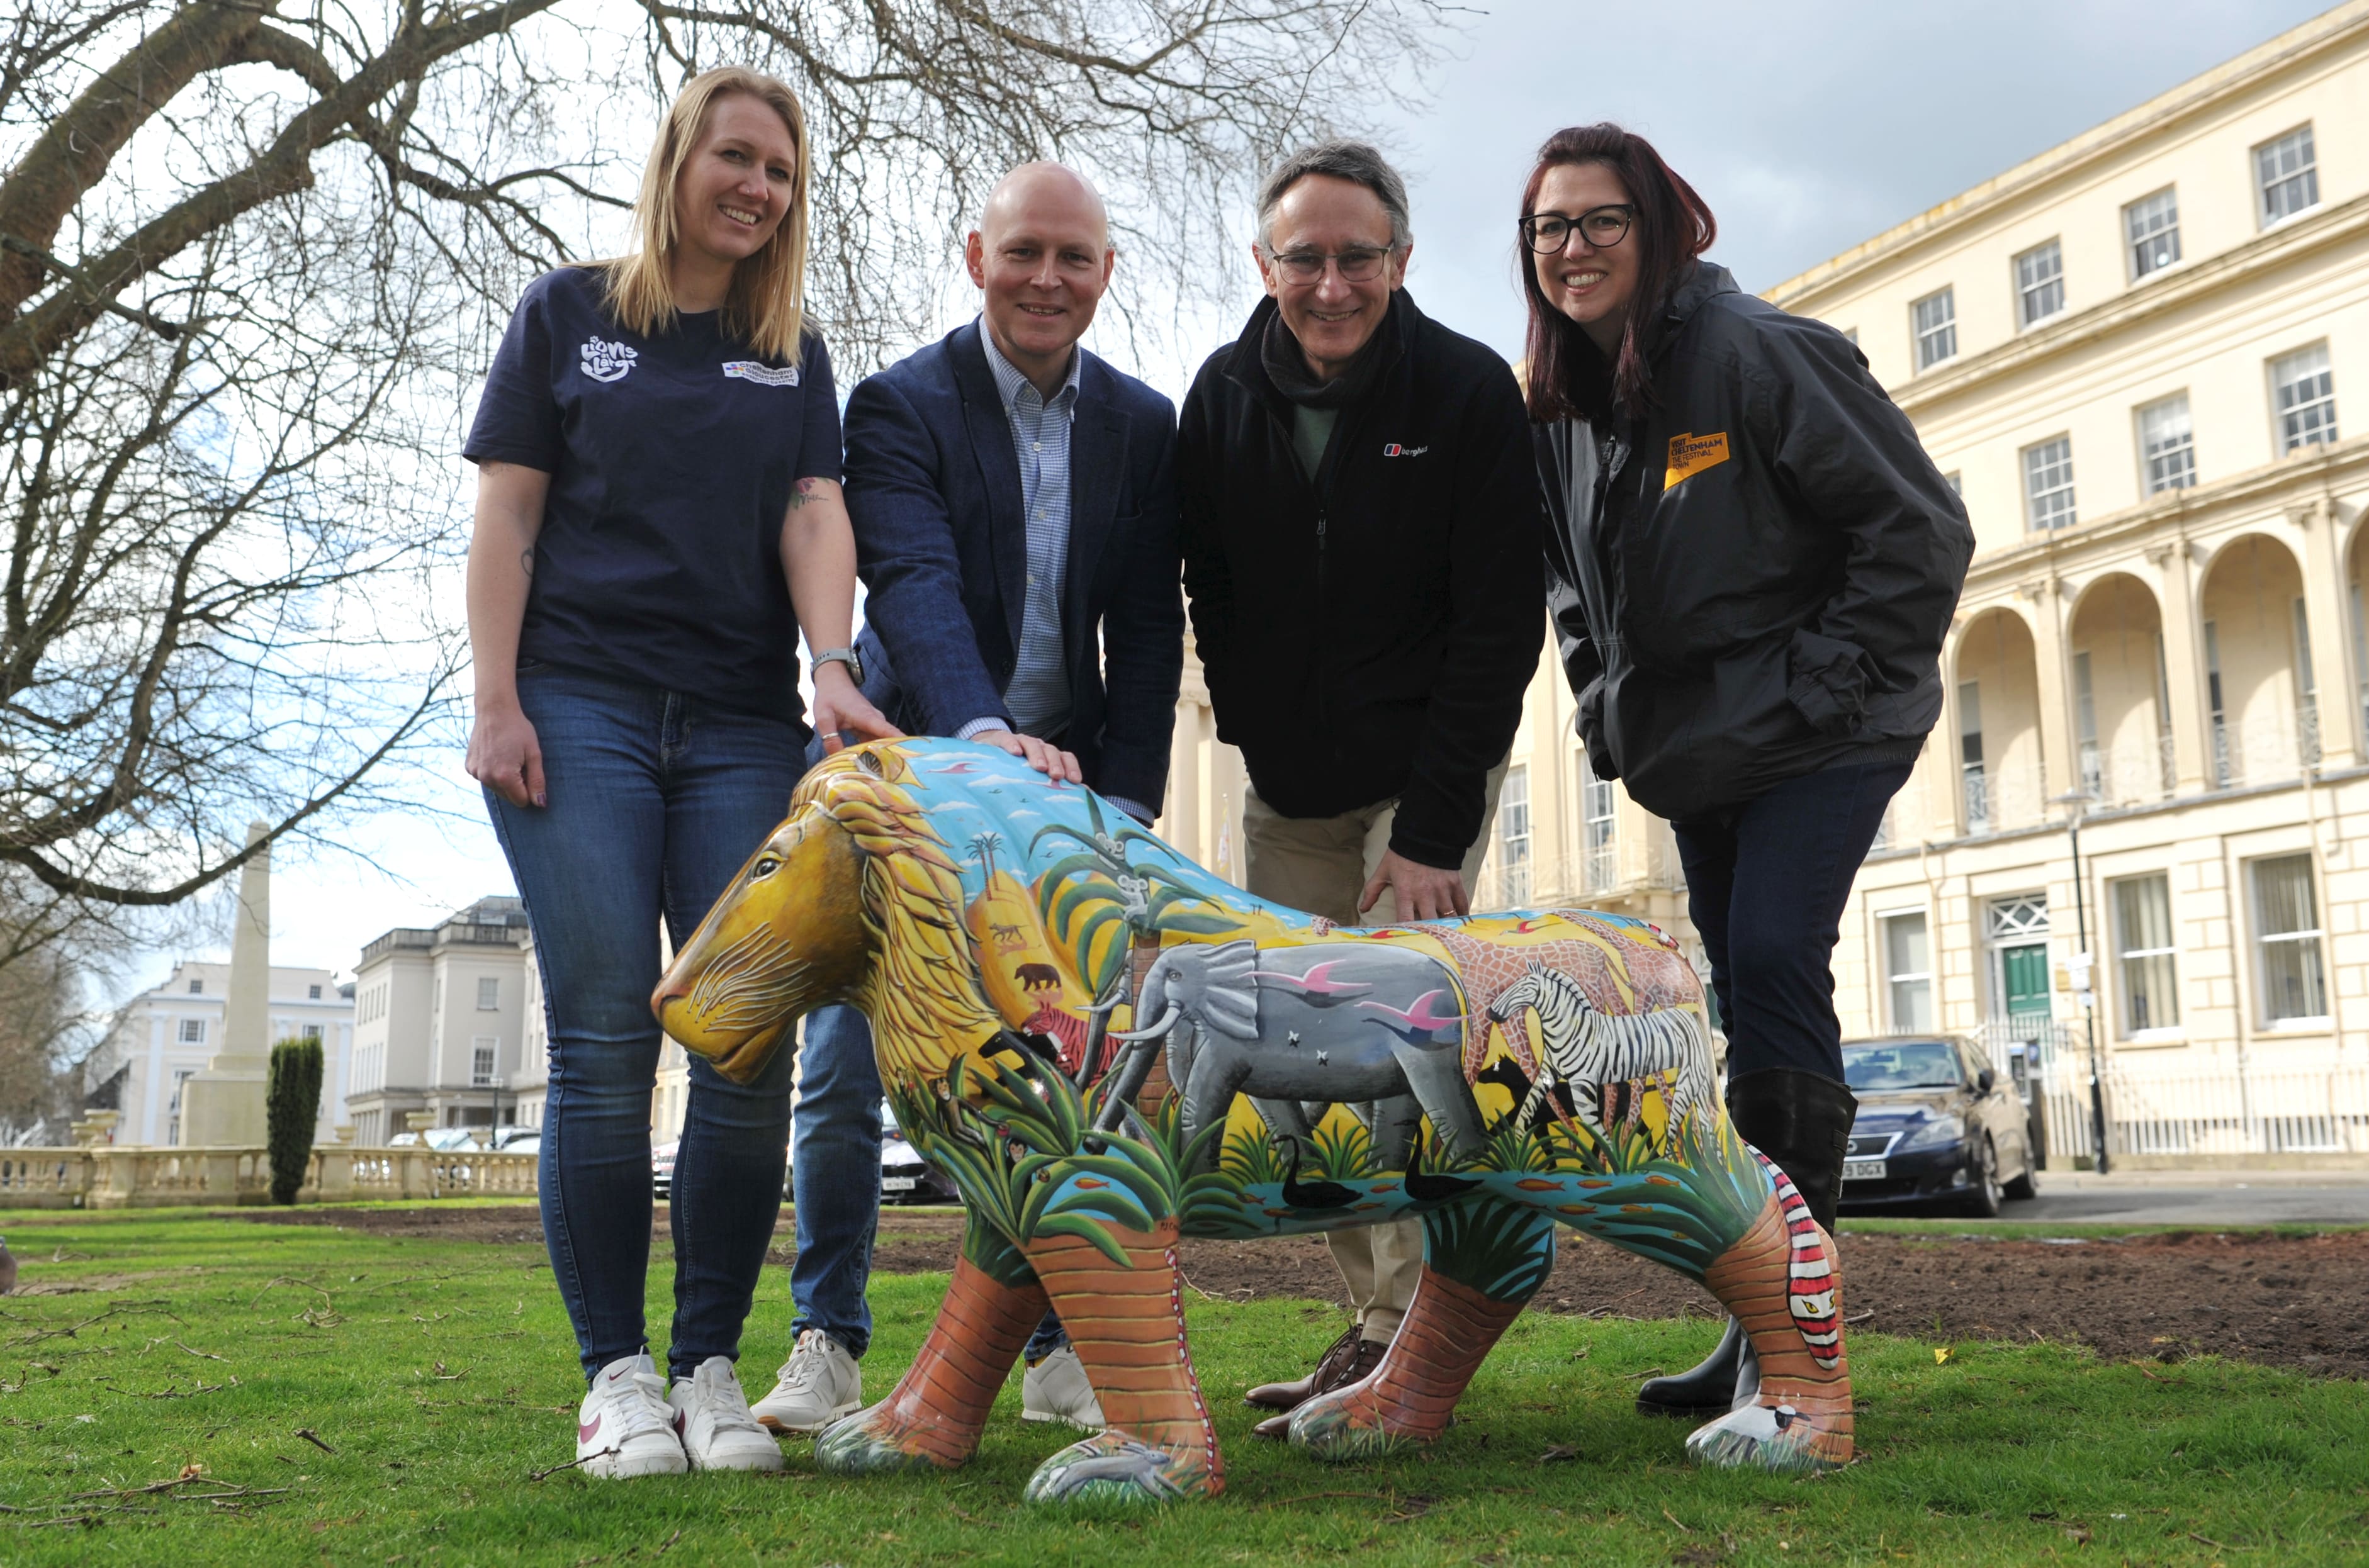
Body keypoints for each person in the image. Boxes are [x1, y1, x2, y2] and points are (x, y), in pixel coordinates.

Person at [462, 67, 899, 1479]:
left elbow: (814, 510)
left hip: (738, 727)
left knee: (740, 1041)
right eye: (736, 157)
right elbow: (507, 519)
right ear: (678, 161)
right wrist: (495, 701)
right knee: (604, 1041)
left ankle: (710, 1366)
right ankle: (617, 1378)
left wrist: (832, 665)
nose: (756, 188)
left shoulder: (790, 353)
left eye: (780, 171)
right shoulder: (568, 315)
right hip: (575, 707)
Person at [1516, 124, 1971, 1416]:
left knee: (1771, 957)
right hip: (1698, 749)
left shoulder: (1760, 352)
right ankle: (1761, 1314)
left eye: (1601, 220)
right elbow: (1571, 587)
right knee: (1745, 996)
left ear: (1659, 227)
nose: (1572, 247)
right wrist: (1603, 708)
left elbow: (1920, 532)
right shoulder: (1563, 405)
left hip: (1825, 732)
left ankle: (1793, 1337)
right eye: (1549, 227)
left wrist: (1823, 685)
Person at [751, 163, 1184, 1437]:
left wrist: (1130, 803)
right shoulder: (901, 403)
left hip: (1066, 797)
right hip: (920, 765)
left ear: (1105, 272)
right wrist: (987, 743)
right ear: (976, 257)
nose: (1047, 278)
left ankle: (1058, 1343)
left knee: (1067, 1076)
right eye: (1024, 252)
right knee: (845, 1066)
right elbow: (914, 580)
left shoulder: (1141, 423)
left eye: (1074, 257)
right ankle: (827, 1339)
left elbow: (1145, 627)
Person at [1176, 140, 1543, 1438]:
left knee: (1399, 1050)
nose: (1331, 285)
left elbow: (1500, 623)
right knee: (1303, 1062)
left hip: (1422, 780)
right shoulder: (1221, 395)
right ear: (1263, 263)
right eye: (1305, 259)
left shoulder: (1465, 390)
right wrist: (1257, 739)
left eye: (1357, 257)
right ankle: (1374, 1325)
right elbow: (1208, 583)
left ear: (1401, 258)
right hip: (1291, 792)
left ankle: (1414, 1339)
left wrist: (1435, 829)